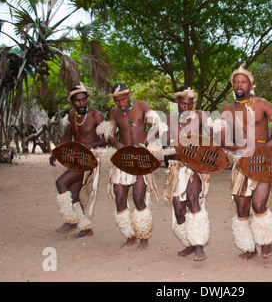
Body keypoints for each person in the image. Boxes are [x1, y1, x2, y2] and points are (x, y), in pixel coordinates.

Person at [218, 65, 272, 261]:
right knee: (242, 209)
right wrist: (237, 148)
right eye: (236, 81)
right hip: (242, 163)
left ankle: (266, 240)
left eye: (243, 81)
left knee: (259, 205)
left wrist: (268, 146)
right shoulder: (226, 109)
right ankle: (248, 247)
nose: (239, 85)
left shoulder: (262, 104)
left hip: (262, 161)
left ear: (251, 85)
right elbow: (222, 139)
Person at [107, 83, 161, 250]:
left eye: (123, 99)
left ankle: (144, 236)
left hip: (140, 157)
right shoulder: (114, 113)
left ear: (129, 94)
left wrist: (145, 141)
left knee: (138, 197)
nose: (121, 104)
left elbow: (156, 127)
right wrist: (117, 144)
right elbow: (108, 135)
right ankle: (130, 235)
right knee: (119, 198)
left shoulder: (142, 106)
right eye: (117, 101)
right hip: (123, 159)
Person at [50, 83, 107, 238]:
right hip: (77, 157)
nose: (81, 103)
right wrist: (57, 151)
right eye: (77, 101)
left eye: (83, 100)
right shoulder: (71, 115)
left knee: (61, 182)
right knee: (74, 195)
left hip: (91, 158)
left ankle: (71, 220)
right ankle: (86, 228)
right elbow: (68, 135)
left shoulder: (95, 115)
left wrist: (89, 145)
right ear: (71, 102)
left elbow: (106, 139)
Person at [163, 87, 212, 261]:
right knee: (178, 211)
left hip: (195, 167)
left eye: (190, 104)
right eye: (183, 103)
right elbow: (165, 147)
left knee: (193, 199)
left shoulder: (199, 117)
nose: (187, 107)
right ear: (177, 103)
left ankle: (199, 246)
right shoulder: (169, 119)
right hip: (177, 168)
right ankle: (190, 243)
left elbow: (213, 137)